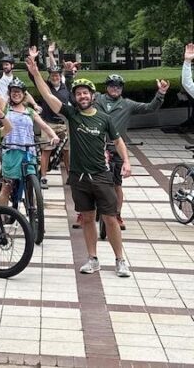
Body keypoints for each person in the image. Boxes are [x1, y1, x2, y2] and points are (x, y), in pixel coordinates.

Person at [26, 56, 132, 277]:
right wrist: (36, 73)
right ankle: (93, 259)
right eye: (78, 93)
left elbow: (118, 140)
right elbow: (47, 95)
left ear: (92, 96)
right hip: (79, 177)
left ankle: (120, 259)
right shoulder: (72, 115)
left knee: (110, 218)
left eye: (85, 93)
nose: (82, 96)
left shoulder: (104, 118)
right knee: (86, 218)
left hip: (101, 175)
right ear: (74, 97)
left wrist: (127, 162)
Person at [81, 72, 167, 230]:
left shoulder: (127, 104)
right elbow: (80, 97)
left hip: (116, 148)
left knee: (116, 185)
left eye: (118, 86)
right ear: (107, 87)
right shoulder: (97, 98)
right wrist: (69, 75)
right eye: (112, 86)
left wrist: (160, 93)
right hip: (95, 146)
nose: (115, 89)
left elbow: (150, 107)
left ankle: (117, 214)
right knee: (88, 181)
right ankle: (84, 212)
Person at [0, 57, 58, 207]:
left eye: (19, 92)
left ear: (24, 94)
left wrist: (53, 135)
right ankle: (4, 213)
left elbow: (44, 126)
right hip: (11, 151)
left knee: (32, 181)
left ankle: (34, 213)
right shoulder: (5, 107)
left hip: (29, 151)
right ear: (10, 93)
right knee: (7, 186)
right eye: (13, 92)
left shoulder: (30, 111)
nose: (16, 94)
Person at [28, 63, 71, 186]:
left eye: (57, 75)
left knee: (66, 151)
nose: (55, 77)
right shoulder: (45, 87)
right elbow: (34, 78)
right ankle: (43, 177)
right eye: (52, 75)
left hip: (63, 123)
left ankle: (70, 175)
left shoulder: (65, 87)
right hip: (48, 123)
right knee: (46, 150)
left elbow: (70, 79)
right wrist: (33, 64)